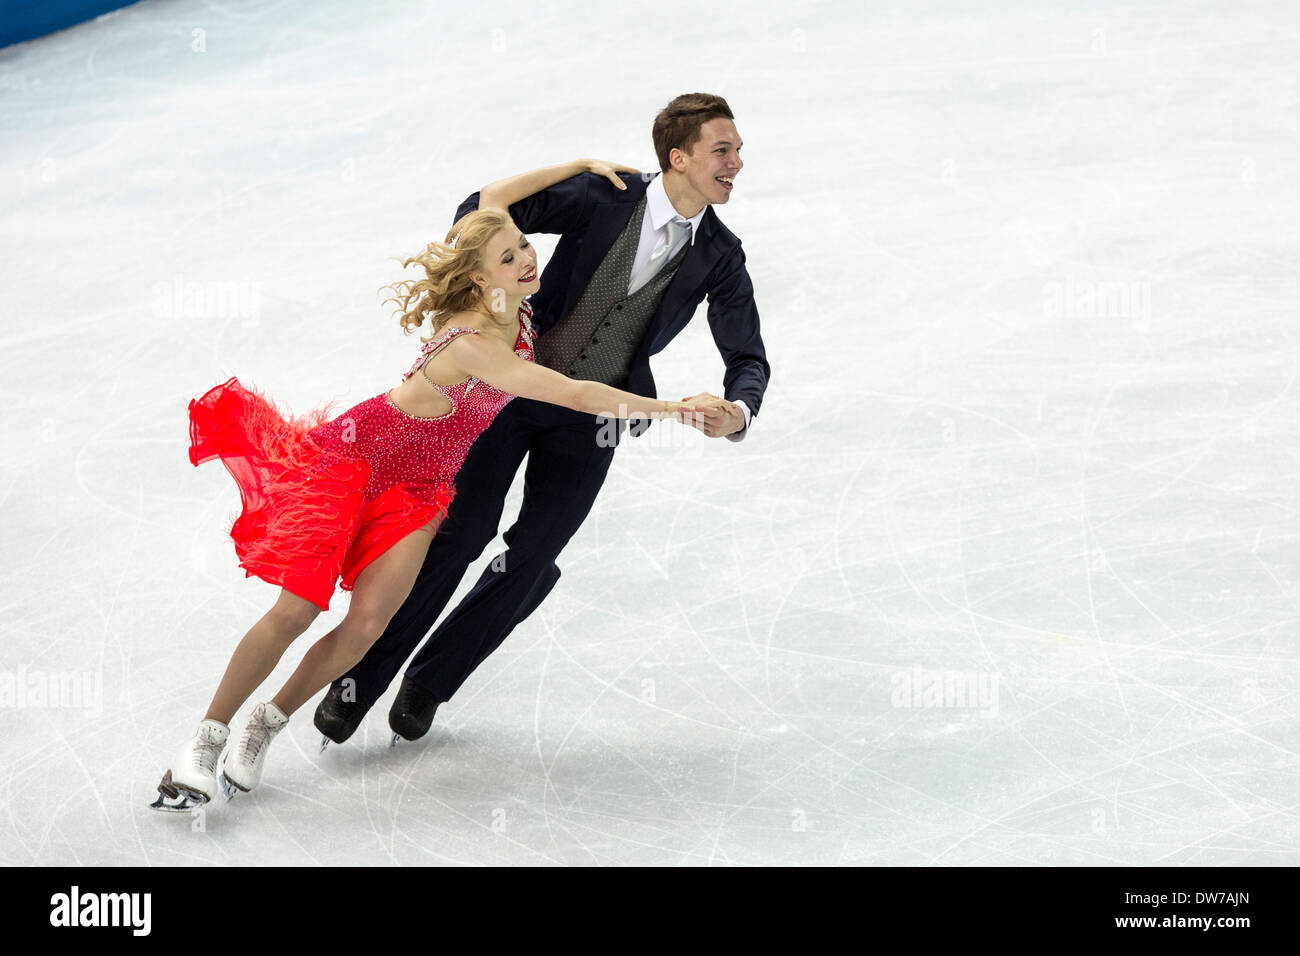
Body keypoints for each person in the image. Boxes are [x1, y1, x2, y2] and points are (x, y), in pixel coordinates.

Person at [152, 180, 709, 811]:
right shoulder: (475, 341)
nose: (528, 258)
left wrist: (578, 163)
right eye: (509, 257)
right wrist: (676, 410)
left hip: (418, 490)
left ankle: (265, 723)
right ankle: (204, 739)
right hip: (351, 465)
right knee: (297, 611)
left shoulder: (517, 309)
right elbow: (578, 394)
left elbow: (493, 196)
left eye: (525, 245)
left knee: (366, 626)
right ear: (477, 281)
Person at [316, 92, 770, 747]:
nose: (737, 162)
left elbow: (747, 353)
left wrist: (738, 412)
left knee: (531, 556)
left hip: (597, 416)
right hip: (511, 389)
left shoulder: (720, 255)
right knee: (461, 534)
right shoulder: (604, 196)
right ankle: (360, 681)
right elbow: (480, 215)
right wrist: (573, 167)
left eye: (738, 151)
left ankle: (430, 682)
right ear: (678, 157)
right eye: (723, 150)